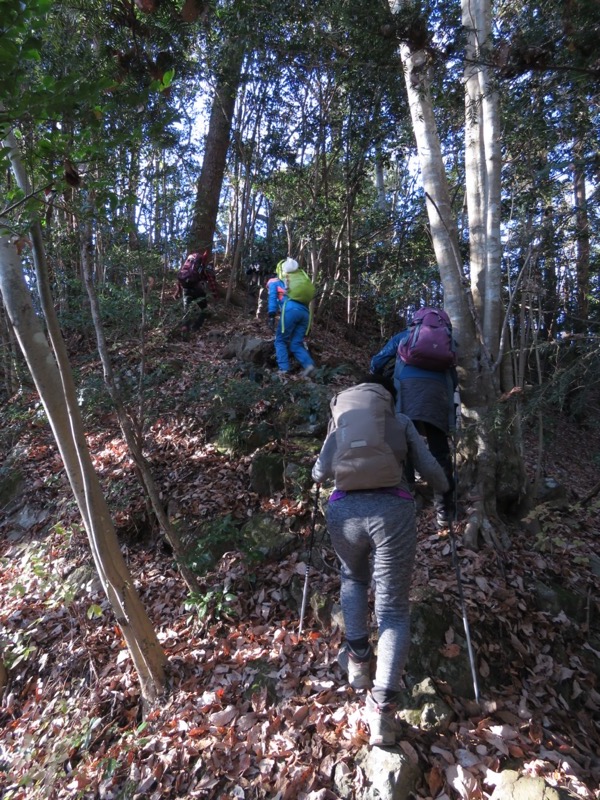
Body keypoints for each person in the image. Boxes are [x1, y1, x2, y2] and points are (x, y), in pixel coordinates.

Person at [311, 374, 449, 747]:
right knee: (393, 611)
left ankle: (357, 662)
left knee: (352, 578)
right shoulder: (400, 422)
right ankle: (383, 710)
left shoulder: (339, 425)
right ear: (385, 402)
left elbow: (320, 473)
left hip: (343, 514)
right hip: (393, 514)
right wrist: (444, 490)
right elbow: (431, 471)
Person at [370, 311, 457, 529]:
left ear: (415, 322)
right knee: (440, 451)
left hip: (407, 395)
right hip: (438, 397)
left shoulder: (404, 337)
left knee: (404, 445)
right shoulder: (449, 342)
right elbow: (455, 375)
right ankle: (444, 509)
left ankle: (409, 495)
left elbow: (378, 362)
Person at [268, 257, 316, 378]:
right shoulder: (297, 281)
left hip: (290, 310)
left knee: (280, 340)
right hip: (305, 312)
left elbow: (272, 298)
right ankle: (309, 366)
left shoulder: (275, 282)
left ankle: (284, 369)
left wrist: (271, 314)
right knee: (296, 343)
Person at [174, 252, 218, 334]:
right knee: (204, 309)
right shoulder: (203, 267)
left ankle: (185, 327)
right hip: (197, 290)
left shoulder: (187, 266)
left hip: (186, 289)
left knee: (187, 310)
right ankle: (195, 328)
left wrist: (177, 293)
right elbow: (211, 282)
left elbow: (180, 280)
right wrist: (215, 295)